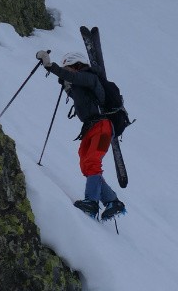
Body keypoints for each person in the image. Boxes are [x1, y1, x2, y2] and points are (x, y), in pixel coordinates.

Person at [36, 49, 126, 221]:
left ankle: (91, 202)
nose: (68, 71)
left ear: (77, 65)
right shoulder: (81, 85)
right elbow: (75, 93)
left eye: (68, 67)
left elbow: (76, 79)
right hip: (92, 128)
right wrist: (65, 83)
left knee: (92, 161)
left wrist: (50, 66)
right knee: (86, 164)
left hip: (103, 127)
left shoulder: (90, 77)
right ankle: (112, 201)